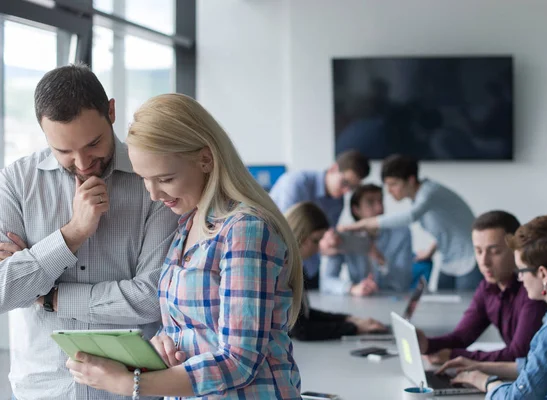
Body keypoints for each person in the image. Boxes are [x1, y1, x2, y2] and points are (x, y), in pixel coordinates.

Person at [65, 93, 304, 399]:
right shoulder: (187, 226)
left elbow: (239, 361)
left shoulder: (245, 230)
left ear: (205, 159)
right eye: (144, 179)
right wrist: (164, 343)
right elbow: (192, 326)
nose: (153, 194)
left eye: (165, 178)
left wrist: (127, 383)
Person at [0, 64, 178, 400]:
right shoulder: (16, 182)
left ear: (111, 111)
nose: (82, 163)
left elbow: (152, 298)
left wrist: (50, 297)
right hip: (42, 389)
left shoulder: (152, 181)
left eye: (93, 143)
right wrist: (72, 235)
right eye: (64, 151)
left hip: (131, 389)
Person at [437, 215, 547, 399]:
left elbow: (517, 397)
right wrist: (480, 367)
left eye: (521, 270)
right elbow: (538, 366)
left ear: (543, 275)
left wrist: (486, 382)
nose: (519, 278)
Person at [416, 211, 547, 364]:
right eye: (478, 251)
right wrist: (427, 345)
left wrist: (455, 356)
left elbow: (519, 354)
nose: (484, 261)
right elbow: (462, 337)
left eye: (495, 251)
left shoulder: (533, 289)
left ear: (516, 250)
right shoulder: (487, 287)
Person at [339, 154, 481, 290]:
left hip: (468, 260)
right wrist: (430, 251)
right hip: (449, 261)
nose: (389, 191)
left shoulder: (429, 192)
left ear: (411, 180)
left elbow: (411, 217)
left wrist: (360, 224)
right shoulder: (419, 200)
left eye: (393, 184)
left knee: (467, 308)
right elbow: (448, 227)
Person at [285, 201, 388, 341]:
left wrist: (349, 319)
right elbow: (301, 330)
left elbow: (305, 315)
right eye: (315, 241)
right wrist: (355, 328)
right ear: (299, 235)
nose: (317, 248)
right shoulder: (283, 270)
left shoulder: (294, 265)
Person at [269, 150, 370, 289]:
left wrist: (331, 242)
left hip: (310, 268)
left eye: (352, 188)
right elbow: (289, 232)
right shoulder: (296, 184)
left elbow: (326, 236)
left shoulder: (338, 201)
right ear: (334, 168)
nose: (346, 191)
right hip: (282, 266)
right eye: (345, 182)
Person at [321, 184, 415, 296]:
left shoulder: (401, 233)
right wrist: (351, 288)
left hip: (391, 299)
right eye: (370, 203)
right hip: (359, 301)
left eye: (380, 201)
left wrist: (381, 261)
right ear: (356, 210)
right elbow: (326, 281)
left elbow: (403, 283)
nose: (379, 208)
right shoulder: (344, 237)